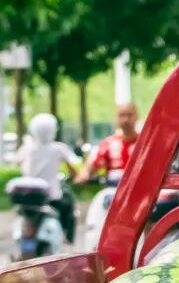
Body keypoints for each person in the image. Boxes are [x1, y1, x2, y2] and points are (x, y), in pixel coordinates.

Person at [16, 113, 80, 241]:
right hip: (51, 195)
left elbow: (17, 162)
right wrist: (77, 177)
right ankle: (68, 237)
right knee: (69, 205)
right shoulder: (58, 148)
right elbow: (73, 168)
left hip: (28, 196)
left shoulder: (27, 148)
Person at [76, 102, 140, 183]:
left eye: (129, 115)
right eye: (122, 115)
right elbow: (88, 169)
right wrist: (84, 174)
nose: (126, 120)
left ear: (137, 116)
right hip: (114, 190)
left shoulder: (145, 144)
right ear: (116, 118)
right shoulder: (108, 144)